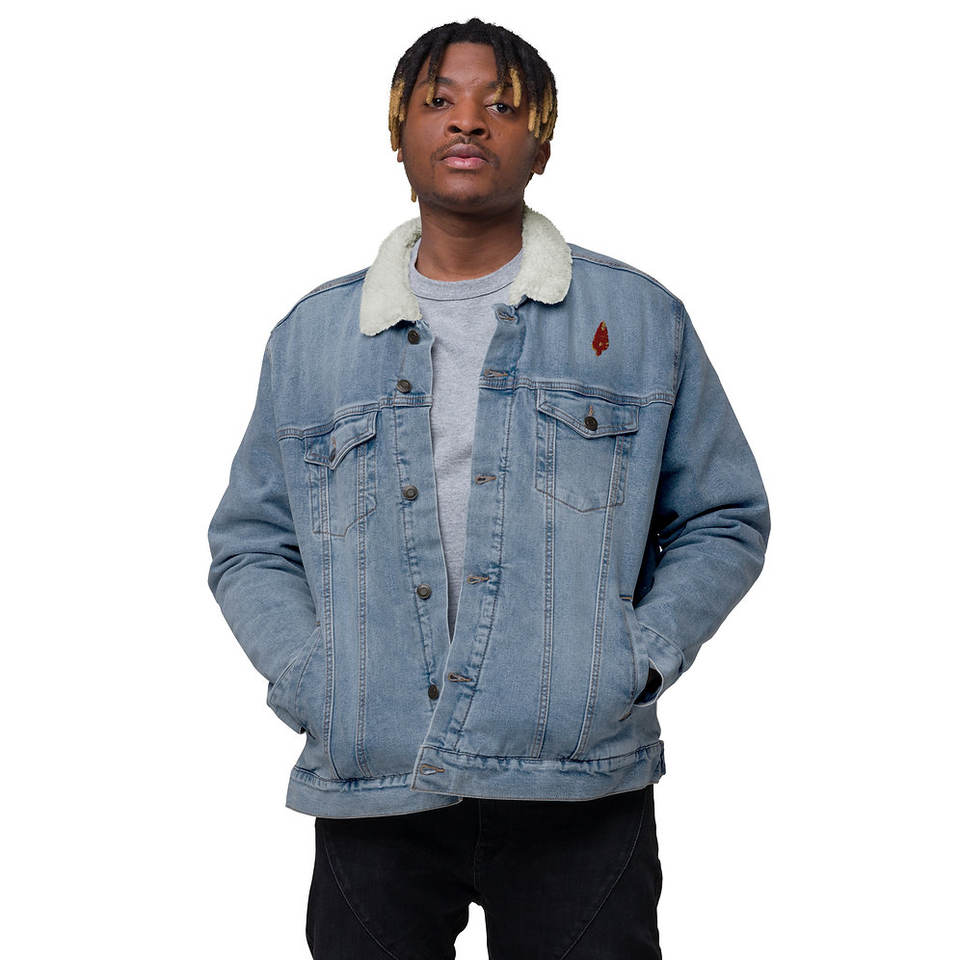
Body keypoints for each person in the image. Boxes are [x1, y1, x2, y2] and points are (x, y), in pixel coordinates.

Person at [206, 17, 771, 959]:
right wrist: (316, 677)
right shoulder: (311, 339)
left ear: (541, 144)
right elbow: (250, 542)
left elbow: (724, 516)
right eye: (439, 101)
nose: (468, 121)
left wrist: (634, 659)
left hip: (577, 780)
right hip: (376, 778)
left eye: (502, 106)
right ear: (398, 134)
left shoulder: (639, 321)